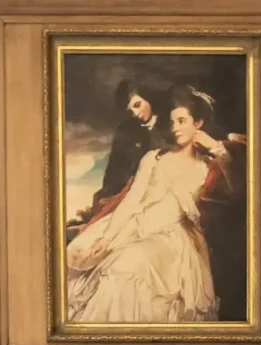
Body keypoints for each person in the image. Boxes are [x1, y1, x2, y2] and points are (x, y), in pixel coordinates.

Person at [65, 86, 245, 324]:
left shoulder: (207, 165)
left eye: (182, 121)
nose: (175, 127)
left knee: (132, 263)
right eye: (172, 121)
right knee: (110, 265)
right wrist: (107, 238)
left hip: (173, 239)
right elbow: (131, 202)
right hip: (133, 228)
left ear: (197, 124)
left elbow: (237, 192)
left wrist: (219, 151)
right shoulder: (153, 158)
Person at [90, 81, 162, 213]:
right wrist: (107, 193)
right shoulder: (125, 131)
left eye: (137, 105)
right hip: (130, 191)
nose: (135, 113)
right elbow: (114, 169)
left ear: (148, 98)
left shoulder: (169, 125)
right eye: (130, 110)